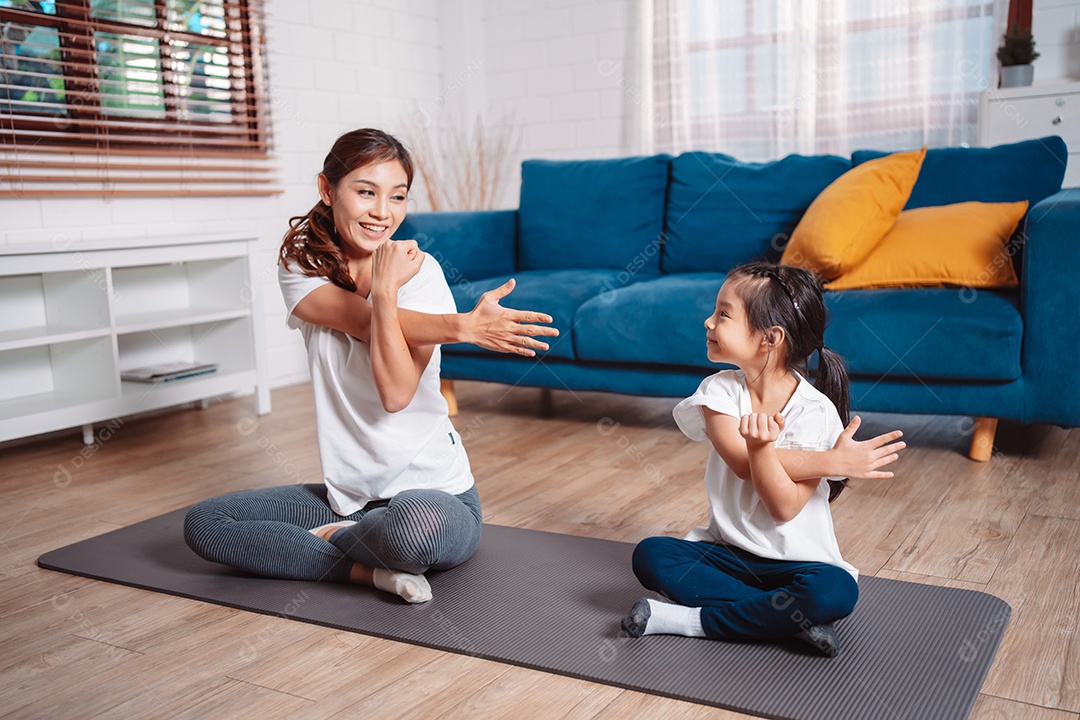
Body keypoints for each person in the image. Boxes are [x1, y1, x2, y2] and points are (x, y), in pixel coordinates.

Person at [184, 128, 557, 603]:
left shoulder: (422, 273)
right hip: (349, 501)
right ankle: (367, 571)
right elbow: (363, 322)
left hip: (436, 498)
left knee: (412, 532)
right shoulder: (301, 266)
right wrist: (453, 323)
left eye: (397, 196)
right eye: (366, 192)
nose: (383, 212)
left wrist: (390, 291)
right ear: (327, 189)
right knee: (207, 524)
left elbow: (396, 393)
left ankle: (338, 542)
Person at [620, 260, 905, 656]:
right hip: (727, 553)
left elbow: (783, 507)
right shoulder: (718, 391)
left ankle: (683, 621)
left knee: (835, 591)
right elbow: (740, 462)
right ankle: (786, 622)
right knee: (651, 555)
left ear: (769, 338)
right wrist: (830, 463)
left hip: (797, 565)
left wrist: (768, 449)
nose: (708, 322)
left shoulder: (815, 411)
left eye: (723, 314)